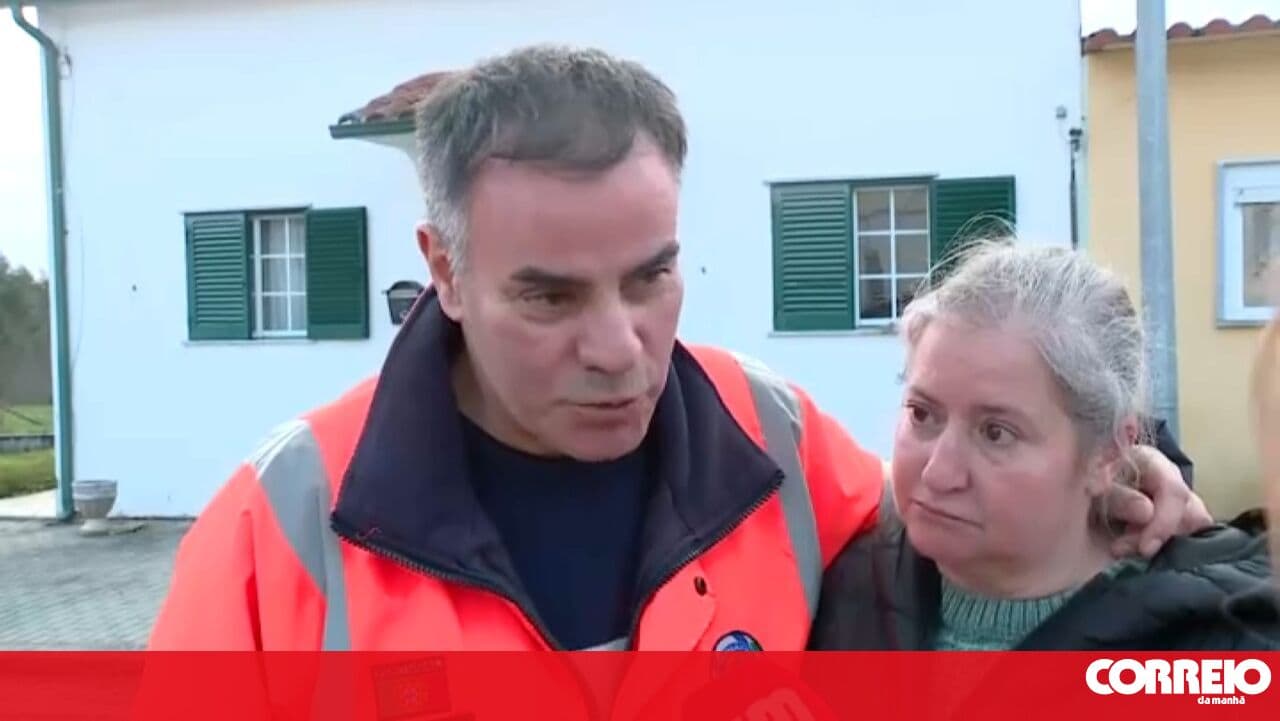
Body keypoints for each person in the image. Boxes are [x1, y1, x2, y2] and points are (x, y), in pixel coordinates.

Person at [148, 44, 1209, 653]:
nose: (619, 350)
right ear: (445, 271)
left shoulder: (774, 441)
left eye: (650, 275)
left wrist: (1130, 476)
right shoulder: (276, 529)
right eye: (548, 295)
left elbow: (970, 519)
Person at [809, 241, 1278, 651]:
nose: (937, 472)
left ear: (1110, 454)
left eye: (996, 432)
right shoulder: (830, 591)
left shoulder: (1228, 643)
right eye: (922, 414)